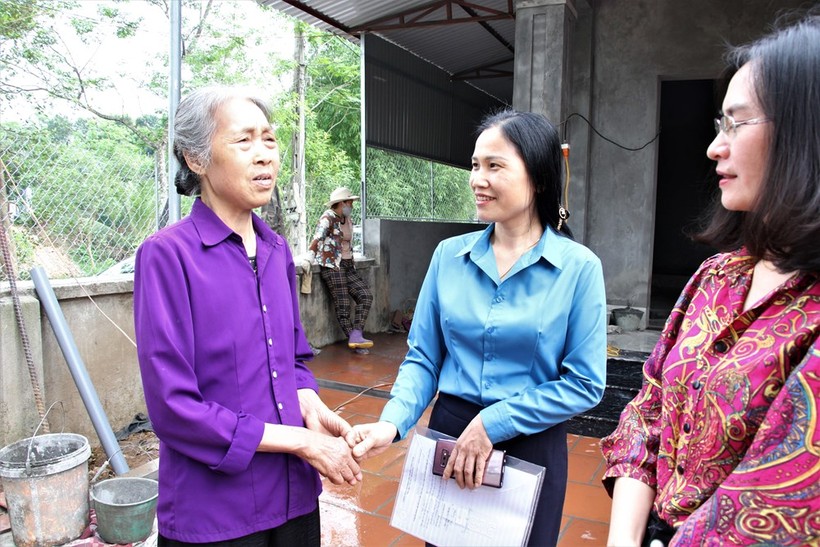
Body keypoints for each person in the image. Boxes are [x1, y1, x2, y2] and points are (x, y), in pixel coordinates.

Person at [601, 13, 820, 547]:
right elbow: (648, 407)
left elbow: (771, 510)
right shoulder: (717, 276)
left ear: (803, 133)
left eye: (736, 124)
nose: (714, 147)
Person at [350, 110, 608, 546]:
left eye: (495, 166)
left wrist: (493, 423)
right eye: (475, 165)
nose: (477, 178)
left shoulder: (578, 268)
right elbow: (424, 358)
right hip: (451, 433)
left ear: (538, 178)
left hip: (531, 442)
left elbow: (585, 383)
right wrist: (390, 424)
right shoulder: (448, 257)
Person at [133, 86, 362, 545]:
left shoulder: (277, 252)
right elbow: (174, 408)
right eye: (244, 142)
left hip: (294, 499)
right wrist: (301, 442)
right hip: (215, 513)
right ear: (196, 159)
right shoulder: (167, 257)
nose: (264, 157)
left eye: (270, 140)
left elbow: (292, 361)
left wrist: (312, 407)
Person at [306, 186, 374, 351]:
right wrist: (310, 256)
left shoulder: (347, 219)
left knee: (365, 296)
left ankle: (356, 333)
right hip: (332, 266)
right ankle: (355, 341)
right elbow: (318, 237)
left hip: (348, 264)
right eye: (350, 202)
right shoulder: (328, 218)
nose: (352, 205)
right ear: (342, 203)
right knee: (343, 304)